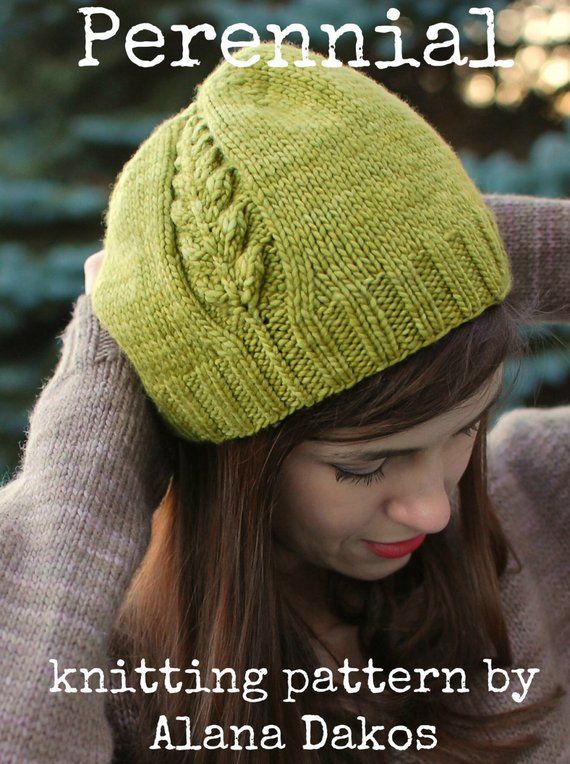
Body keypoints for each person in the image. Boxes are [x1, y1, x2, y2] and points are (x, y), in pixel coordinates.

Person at [0, 41, 568, 764]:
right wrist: (106, 404)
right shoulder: (102, 677)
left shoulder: (540, 500)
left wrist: (442, 242)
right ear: (234, 454)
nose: (434, 507)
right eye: (366, 467)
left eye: (465, 430)